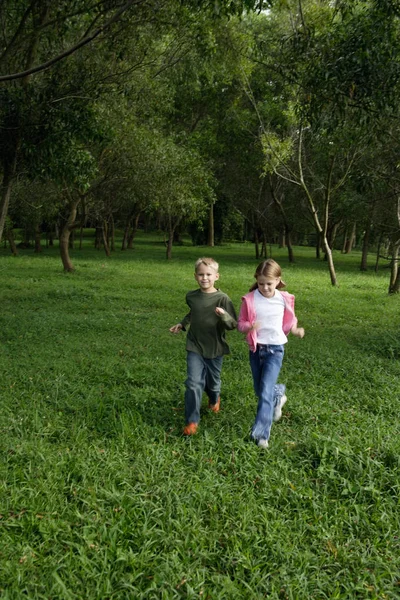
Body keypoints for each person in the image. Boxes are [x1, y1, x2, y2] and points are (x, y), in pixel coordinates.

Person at [237, 259, 305, 449]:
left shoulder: (284, 298)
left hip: (275, 350)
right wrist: (249, 326)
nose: (265, 287)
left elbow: (291, 318)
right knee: (260, 391)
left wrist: (296, 329)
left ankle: (261, 435)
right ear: (256, 280)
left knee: (264, 393)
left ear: (278, 280)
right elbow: (240, 323)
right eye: (261, 283)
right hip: (257, 350)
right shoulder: (250, 299)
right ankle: (278, 395)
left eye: (269, 283)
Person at [170, 257, 237, 435]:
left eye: (208, 274)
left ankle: (214, 398)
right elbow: (193, 312)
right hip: (195, 345)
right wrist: (183, 324)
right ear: (195, 276)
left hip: (215, 347)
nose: (204, 278)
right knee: (193, 383)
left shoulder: (223, 299)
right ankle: (192, 420)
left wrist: (223, 315)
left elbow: (232, 324)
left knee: (213, 384)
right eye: (201, 274)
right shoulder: (191, 296)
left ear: (217, 276)